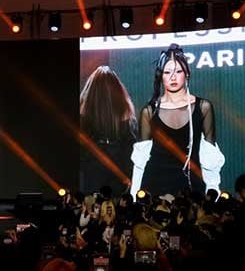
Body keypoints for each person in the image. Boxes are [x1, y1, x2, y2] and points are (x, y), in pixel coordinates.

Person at [130, 44, 225, 198]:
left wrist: (213, 193)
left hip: (191, 188)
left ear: (186, 73)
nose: (173, 77)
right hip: (155, 186)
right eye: (167, 72)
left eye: (178, 71)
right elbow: (140, 161)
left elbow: (210, 158)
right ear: (161, 76)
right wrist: (135, 197)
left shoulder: (203, 107)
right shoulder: (149, 111)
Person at [79, 65, 137, 195]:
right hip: (118, 173)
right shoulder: (125, 115)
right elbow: (130, 149)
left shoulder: (83, 115)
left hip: (92, 172)